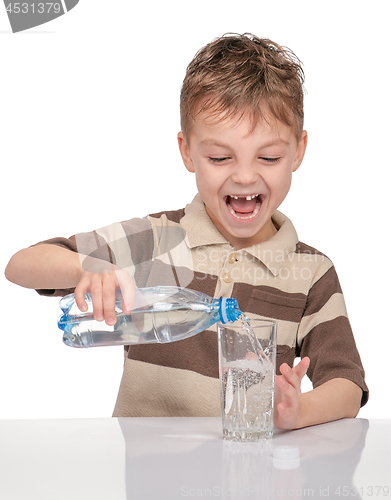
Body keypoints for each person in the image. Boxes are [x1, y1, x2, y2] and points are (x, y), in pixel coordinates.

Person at [5, 33, 368, 429]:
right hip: (146, 482)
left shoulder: (311, 272)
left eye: (269, 157)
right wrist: (88, 268)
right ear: (186, 151)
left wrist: (299, 411)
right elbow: (21, 266)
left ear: (298, 151)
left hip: (246, 480)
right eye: (219, 157)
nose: (245, 176)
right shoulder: (158, 239)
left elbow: (346, 383)